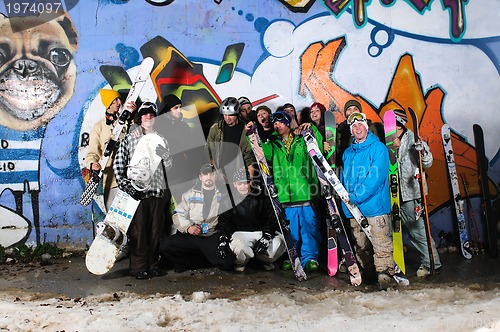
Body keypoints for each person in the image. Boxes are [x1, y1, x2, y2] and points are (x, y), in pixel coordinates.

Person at [113, 101, 172, 280]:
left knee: (156, 231)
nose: (149, 117)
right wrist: (127, 187)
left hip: (156, 191)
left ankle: (153, 264)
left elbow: (169, 168)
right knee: (138, 231)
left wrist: (167, 156)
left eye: (152, 114)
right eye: (145, 114)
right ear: (140, 117)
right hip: (136, 194)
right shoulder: (130, 139)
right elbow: (119, 165)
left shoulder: (162, 139)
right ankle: (138, 267)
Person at [258, 110, 323, 272]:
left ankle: (310, 258)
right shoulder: (273, 144)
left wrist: (312, 130)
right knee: (290, 230)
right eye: (274, 123)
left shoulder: (302, 140)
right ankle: (292, 257)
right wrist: (252, 134)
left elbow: (319, 148)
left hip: (305, 191)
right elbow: (261, 153)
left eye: (280, 122)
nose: (277, 125)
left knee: (309, 228)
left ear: (288, 123)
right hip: (286, 195)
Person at [340, 111, 396, 289]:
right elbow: (345, 178)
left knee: (380, 243)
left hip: (374, 207)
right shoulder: (348, 153)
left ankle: (384, 276)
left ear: (366, 126)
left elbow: (375, 178)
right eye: (354, 126)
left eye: (360, 125)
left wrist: (355, 197)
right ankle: (369, 272)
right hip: (354, 208)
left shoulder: (378, 148)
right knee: (361, 244)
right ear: (351, 130)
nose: (357, 128)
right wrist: (345, 201)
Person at [392, 109, 442, 278]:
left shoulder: (412, 139)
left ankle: (431, 263)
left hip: (411, 193)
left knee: (417, 230)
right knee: (398, 230)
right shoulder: (388, 139)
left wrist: (422, 151)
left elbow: (427, 163)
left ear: (399, 123)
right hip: (394, 192)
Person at [159, 164, 232, 272]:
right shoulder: (189, 194)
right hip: (192, 234)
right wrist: (188, 228)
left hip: (210, 235)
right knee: (165, 246)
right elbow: (178, 214)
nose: (208, 177)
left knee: (227, 262)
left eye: (211, 174)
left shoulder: (223, 195)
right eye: (205, 174)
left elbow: (226, 219)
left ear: (215, 176)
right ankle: (186, 263)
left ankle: (198, 262)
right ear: (200, 177)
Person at [216, 168, 286, 272]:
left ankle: (265, 260)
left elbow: (271, 218)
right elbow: (224, 222)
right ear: (235, 184)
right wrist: (223, 239)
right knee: (240, 247)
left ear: (250, 182)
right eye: (240, 184)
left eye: (246, 183)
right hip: (240, 233)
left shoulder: (262, 197)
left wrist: (267, 236)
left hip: (260, 231)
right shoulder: (228, 200)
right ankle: (241, 263)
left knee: (281, 241)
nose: (243, 187)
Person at [85, 89, 136, 210]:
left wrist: (132, 116)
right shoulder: (99, 127)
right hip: (111, 181)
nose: (119, 102)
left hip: (129, 178)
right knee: (114, 219)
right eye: (115, 100)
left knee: (132, 218)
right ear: (108, 103)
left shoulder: (126, 121)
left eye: (119, 99)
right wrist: (92, 164)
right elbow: (92, 152)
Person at [154, 94, 200, 201]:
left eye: (180, 107)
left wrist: (195, 172)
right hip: (162, 178)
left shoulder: (184, 127)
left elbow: (191, 151)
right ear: (167, 110)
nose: (179, 110)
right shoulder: (156, 127)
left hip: (182, 175)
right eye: (175, 108)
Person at [206, 97, 256, 183]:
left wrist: (249, 180)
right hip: (219, 176)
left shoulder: (245, 130)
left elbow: (249, 157)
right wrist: (217, 172)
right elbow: (209, 151)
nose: (227, 118)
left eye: (230, 115)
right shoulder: (216, 129)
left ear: (237, 114)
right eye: (225, 115)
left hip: (239, 176)